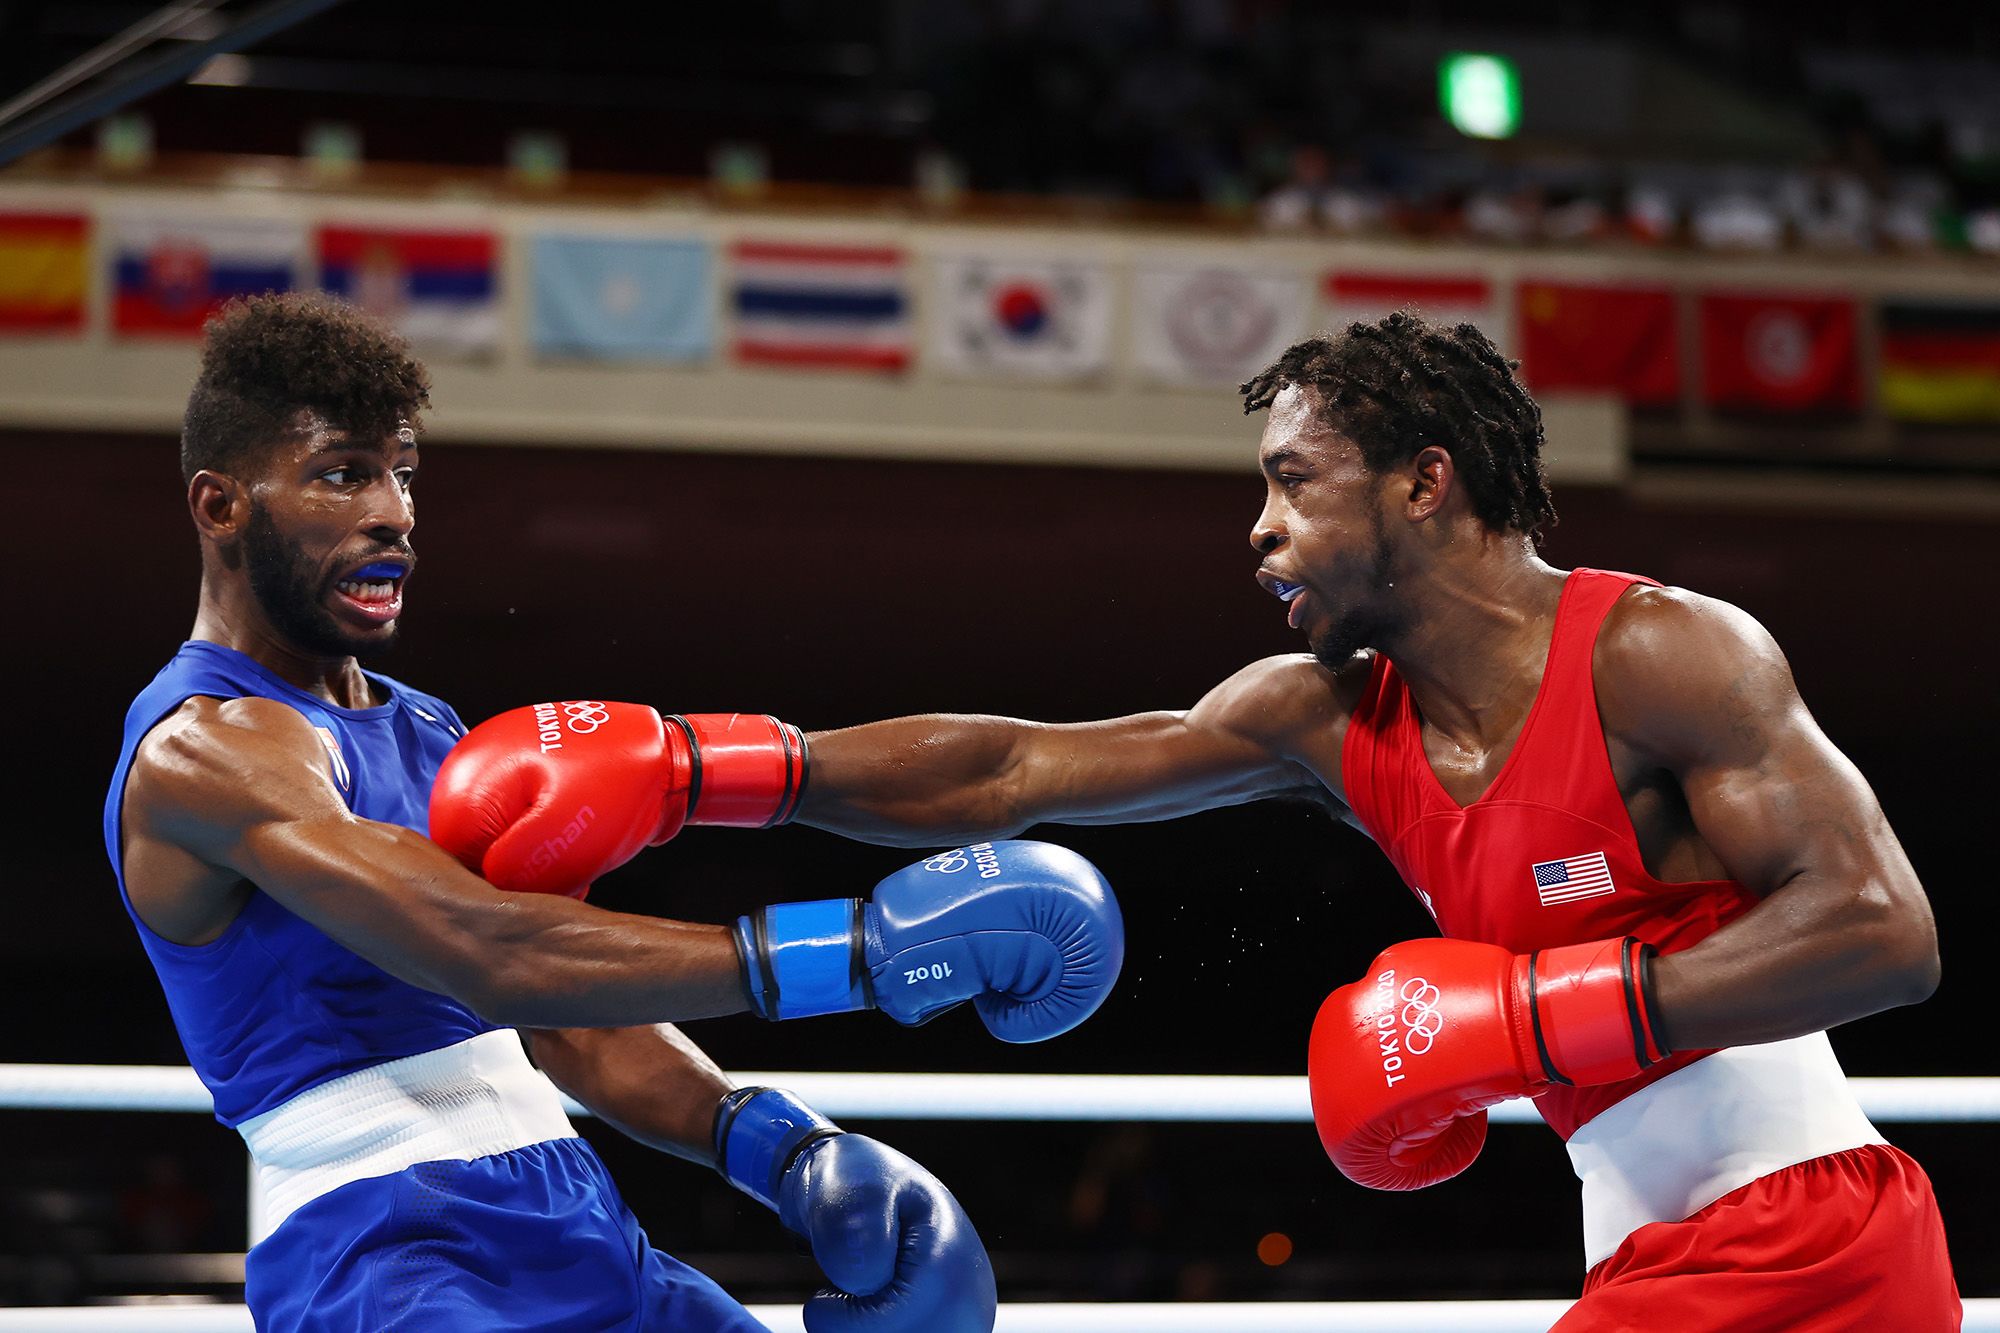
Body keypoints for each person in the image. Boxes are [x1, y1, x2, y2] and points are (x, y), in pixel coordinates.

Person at [450, 311, 1959, 1328]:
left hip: (1808, 1232)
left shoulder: (1661, 653)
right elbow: (1011, 772)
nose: (1260, 530)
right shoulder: (1327, 717)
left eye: (1293, 486)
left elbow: (1885, 931)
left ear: (1425, 485)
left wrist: (1537, 1020)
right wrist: (720, 769)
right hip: (1651, 1248)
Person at [106, 292, 1124, 1332]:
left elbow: (567, 1017)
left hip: (576, 1216)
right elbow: (487, 949)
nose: (394, 512)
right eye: (341, 474)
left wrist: (783, 1145)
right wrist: (855, 950)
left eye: (402, 474)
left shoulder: (428, 732)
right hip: (384, 1253)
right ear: (221, 506)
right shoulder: (203, 751)